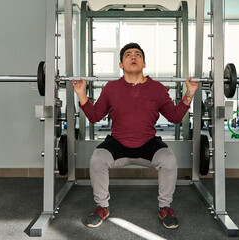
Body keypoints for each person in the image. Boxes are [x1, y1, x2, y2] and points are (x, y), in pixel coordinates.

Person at [72, 42, 198, 229]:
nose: (133, 57)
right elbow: (94, 116)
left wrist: (190, 92)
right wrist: (81, 93)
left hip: (148, 143)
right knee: (97, 159)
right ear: (121, 64)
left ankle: (165, 207)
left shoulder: (156, 89)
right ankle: (102, 207)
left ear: (144, 64)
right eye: (128, 55)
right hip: (118, 143)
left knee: (169, 159)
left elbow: (175, 117)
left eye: (138, 55)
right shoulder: (111, 88)